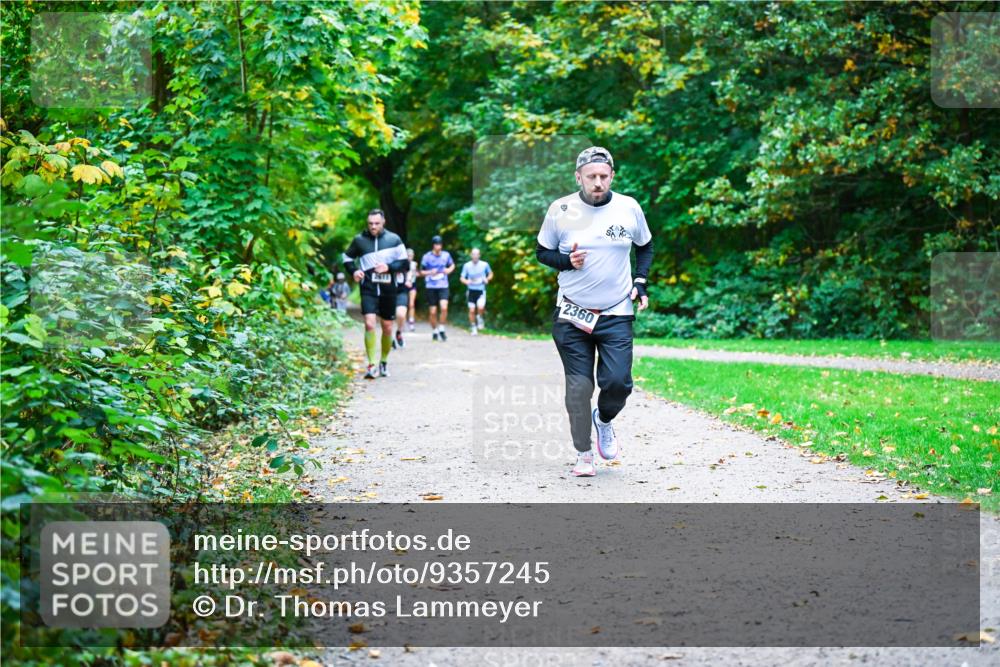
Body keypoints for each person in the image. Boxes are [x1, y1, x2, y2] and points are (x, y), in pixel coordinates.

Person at [535, 147, 653, 477]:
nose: (598, 183)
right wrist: (565, 261)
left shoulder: (629, 207)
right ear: (579, 178)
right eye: (591, 177)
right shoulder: (560, 210)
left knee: (618, 383)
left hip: (616, 310)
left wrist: (640, 281)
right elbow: (542, 252)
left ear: (612, 176)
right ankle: (583, 453)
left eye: (603, 176)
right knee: (578, 387)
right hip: (572, 312)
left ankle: (603, 419)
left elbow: (645, 245)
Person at [343, 209, 409, 379]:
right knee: (370, 324)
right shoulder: (359, 240)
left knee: (387, 327)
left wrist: (389, 267)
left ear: (383, 222)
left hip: (389, 289)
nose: (373, 227)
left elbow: (404, 264)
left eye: (376, 223)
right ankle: (371, 364)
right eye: (370, 224)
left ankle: (384, 362)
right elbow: (347, 258)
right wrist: (354, 271)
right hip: (369, 288)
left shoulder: (394, 240)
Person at [420, 234, 455, 341]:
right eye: (436, 244)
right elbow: (421, 272)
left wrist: (449, 270)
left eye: (440, 244)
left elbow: (452, 265)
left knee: (444, 307)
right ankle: (434, 330)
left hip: (443, 285)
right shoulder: (426, 256)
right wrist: (430, 272)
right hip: (431, 286)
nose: (438, 246)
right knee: (433, 311)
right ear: (433, 245)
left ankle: (442, 328)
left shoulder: (446, 255)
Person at [460, 248, 492, 336]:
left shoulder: (484, 264)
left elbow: (490, 274)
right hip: (471, 291)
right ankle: (473, 327)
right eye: (473, 254)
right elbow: (462, 277)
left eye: (476, 254)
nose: (475, 256)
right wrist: (466, 281)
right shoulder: (467, 266)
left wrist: (487, 279)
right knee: (471, 310)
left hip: (481, 290)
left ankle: (480, 317)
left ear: (479, 255)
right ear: (471, 255)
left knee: (480, 308)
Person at [392, 248, 411, 349]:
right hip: (388, 291)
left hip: (401, 290)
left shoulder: (404, 260)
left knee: (401, 314)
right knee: (388, 317)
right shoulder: (386, 259)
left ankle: (399, 332)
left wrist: (408, 280)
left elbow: (408, 271)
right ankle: (389, 337)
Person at [405, 247, 418, 332]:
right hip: (404, 284)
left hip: (412, 284)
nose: (410, 257)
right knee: (403, 304)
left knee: (411, 304)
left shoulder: (414, 264)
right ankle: (403, 321)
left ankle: (411, 321)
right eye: (408, 255)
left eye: (411, 256)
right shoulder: (403, 264)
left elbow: (416, 273)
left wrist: (417, 273)